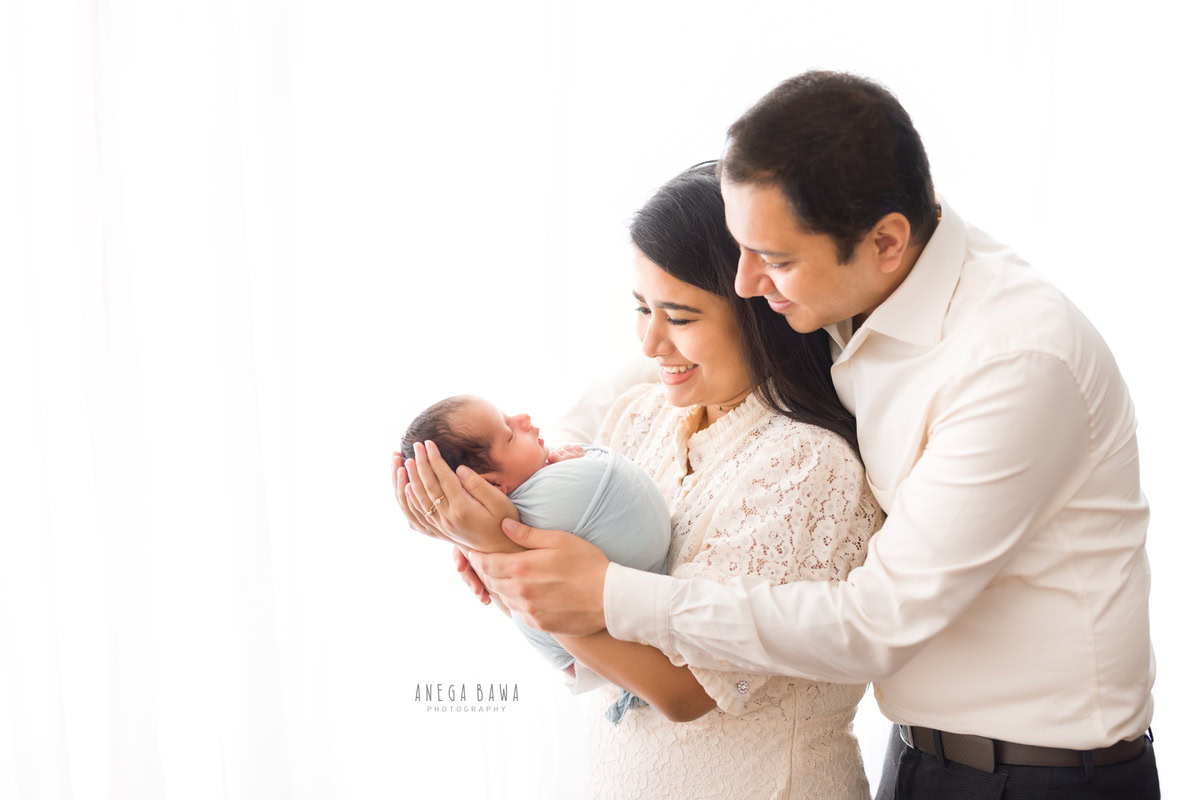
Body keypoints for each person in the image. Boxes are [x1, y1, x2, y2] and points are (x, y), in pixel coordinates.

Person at [402, 73, 1160, 799]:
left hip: (1042, 774)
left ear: (886, 241)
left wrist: (603, 592)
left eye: (773, 260)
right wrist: (505, 501)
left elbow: (877, 619)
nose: (745, 285)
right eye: (742, 248)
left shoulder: (1013, 360)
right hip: (917, 757)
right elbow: (642, 381)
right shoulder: (842, 284)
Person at [396, 163, 883, 798]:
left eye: (678, 316)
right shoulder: (640, 417)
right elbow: (593, 666)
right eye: (641, 308)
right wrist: (484, 539)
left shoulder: (808, 463)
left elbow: (683, 692)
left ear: (760, 313)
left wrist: (502, 555)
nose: (650, 343)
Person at [399, 394, 672, 723]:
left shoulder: (539, 495)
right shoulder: (532, 511)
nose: (524, 419)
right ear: (491, 486)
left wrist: (470, 540)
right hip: (594, 653)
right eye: (509, 434)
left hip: (618, 647)